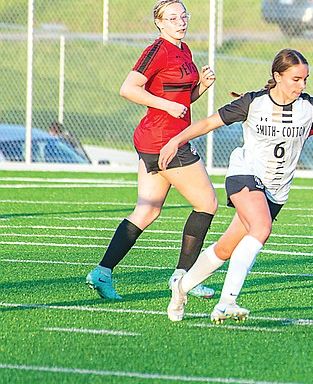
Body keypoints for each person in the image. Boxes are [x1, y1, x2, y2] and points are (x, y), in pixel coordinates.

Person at [160, 48, 313, 323]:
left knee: (225, 248)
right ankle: (227, 302)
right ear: (277, 76)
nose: (302, 85)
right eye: (296, 79)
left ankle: (181, 287)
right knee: (261, 228)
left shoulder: (310, 109)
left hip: (276, 190)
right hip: (245, 175)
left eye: (305, 79)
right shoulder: (253, 103)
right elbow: (209, 123)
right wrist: (175, 141)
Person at [86, 0, 218, 300]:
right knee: (207, 204)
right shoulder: (156, 50)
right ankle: (184, 279)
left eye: (183, 16)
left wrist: (201, 88)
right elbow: (128, 88)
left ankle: (102, 272)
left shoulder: (184, 50)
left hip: (161, 138)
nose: (180, 21)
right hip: (165, 140)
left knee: (147, 211)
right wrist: (167, 105)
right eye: (172, 18)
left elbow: (180, 102)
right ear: (159, 23)